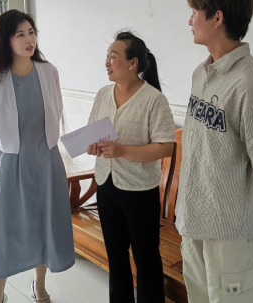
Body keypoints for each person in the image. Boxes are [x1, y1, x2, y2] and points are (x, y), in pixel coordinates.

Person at [176, 0, 253, 303]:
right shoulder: (202, 73)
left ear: (217, 17)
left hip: (230, 235)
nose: (190, 20)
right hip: (193, 222)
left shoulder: (252, 84)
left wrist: (236, 205)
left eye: (195, 12)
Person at [0, 9, 74, 303]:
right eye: (20, 34)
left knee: (44, 224)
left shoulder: (48, 72)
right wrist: (9, 143)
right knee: (5, 229)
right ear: (6, 40)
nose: (29, 39)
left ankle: (39, 286)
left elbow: (56, 109)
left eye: (31, 32)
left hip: (47, 161)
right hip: (14, 164)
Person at [87, 31, 176, 303]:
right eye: (107, 56)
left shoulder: (153, 99)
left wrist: (123, 150)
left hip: (139, 190)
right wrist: (93, 145)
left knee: (146, 258)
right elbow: (92, 133)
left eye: (113, 56)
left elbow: (166, 147)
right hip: (106, 184)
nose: (107, 62)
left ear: (133, 63)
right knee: (115, 255)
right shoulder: (103, 94)